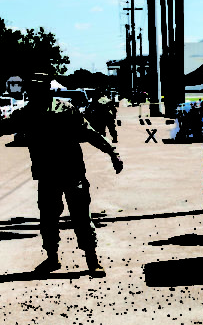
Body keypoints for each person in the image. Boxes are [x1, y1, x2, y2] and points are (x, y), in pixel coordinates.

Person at [12, 75, 123, 277]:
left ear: (46, 90)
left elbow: (90, 133)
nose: (33, 94)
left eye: (37, 89)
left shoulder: (66, 110)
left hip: (72, 173)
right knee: (48, 219)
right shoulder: (26, 114)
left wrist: (111, 152)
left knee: (81, 217)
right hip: (47, 176)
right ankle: (52, 258)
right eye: (31, 90)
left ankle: (92, 259)